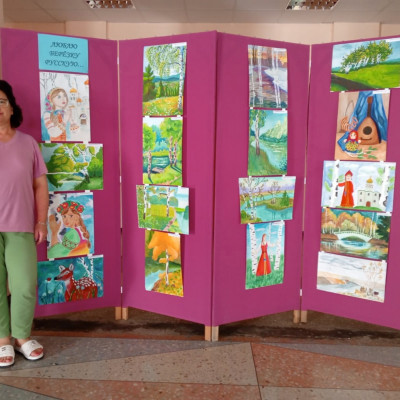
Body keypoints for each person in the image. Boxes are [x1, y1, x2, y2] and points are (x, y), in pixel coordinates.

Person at [0, 80, 48, 367]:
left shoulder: (28, 143)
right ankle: (2, 338)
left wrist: (41, 222)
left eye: (1, 101)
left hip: (20, 225)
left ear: (11, 107)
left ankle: (21, 336)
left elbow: (40, 185)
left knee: (25, 284)